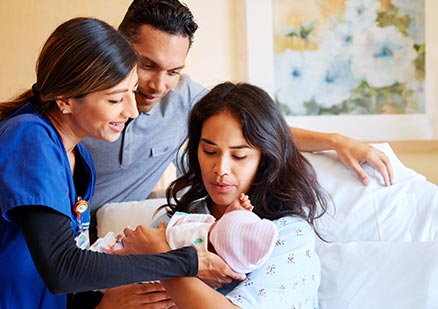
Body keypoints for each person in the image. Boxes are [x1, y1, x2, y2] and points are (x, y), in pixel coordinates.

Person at [0, 17, 206, 308]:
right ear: (65, 99)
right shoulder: (30, 139)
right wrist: (184, 262)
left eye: (131, 93)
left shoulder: (79, 158)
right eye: (115, 100)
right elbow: (63, 269)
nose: (132, 111)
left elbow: (55, 269)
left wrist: (100, 302)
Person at [124, 81, 329, 308]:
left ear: (265, 159)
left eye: (239, 156)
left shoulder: (287, 234)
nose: (220, 169)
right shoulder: (175, 223)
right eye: (209, 151)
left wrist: (165, 260)